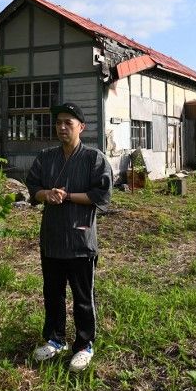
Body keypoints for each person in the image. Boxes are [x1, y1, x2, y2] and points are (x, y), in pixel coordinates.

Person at [25, 102, 113, 371]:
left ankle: (85, 344)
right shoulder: (45, 157)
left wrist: (66, 196)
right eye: (59, 122)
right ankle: (55, 339)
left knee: (83, 296)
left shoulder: (93, 158)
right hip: (52, 238)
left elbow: (102, 195)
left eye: (69, 123)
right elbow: (34, 187)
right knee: (52, 293)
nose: (62, 127)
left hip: (80, 241)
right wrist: (45, 194)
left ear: (81, 128)